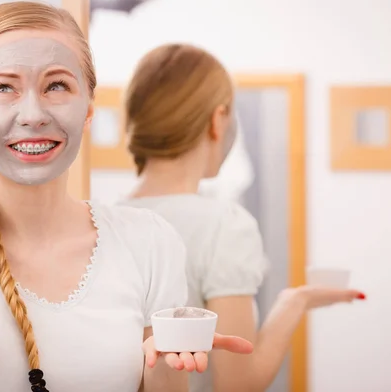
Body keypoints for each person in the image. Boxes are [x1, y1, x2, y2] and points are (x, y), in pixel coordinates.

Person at [0, 3, 251, 392]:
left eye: (57, 86)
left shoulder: (149, 243)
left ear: (87, 109)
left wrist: (164, 365)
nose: (33, 114)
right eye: (3, 87)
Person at [120, 43, 366, 392]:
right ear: (218, 121)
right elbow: (238, 384)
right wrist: (295, 302)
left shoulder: (102, 217)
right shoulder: (225, 225)